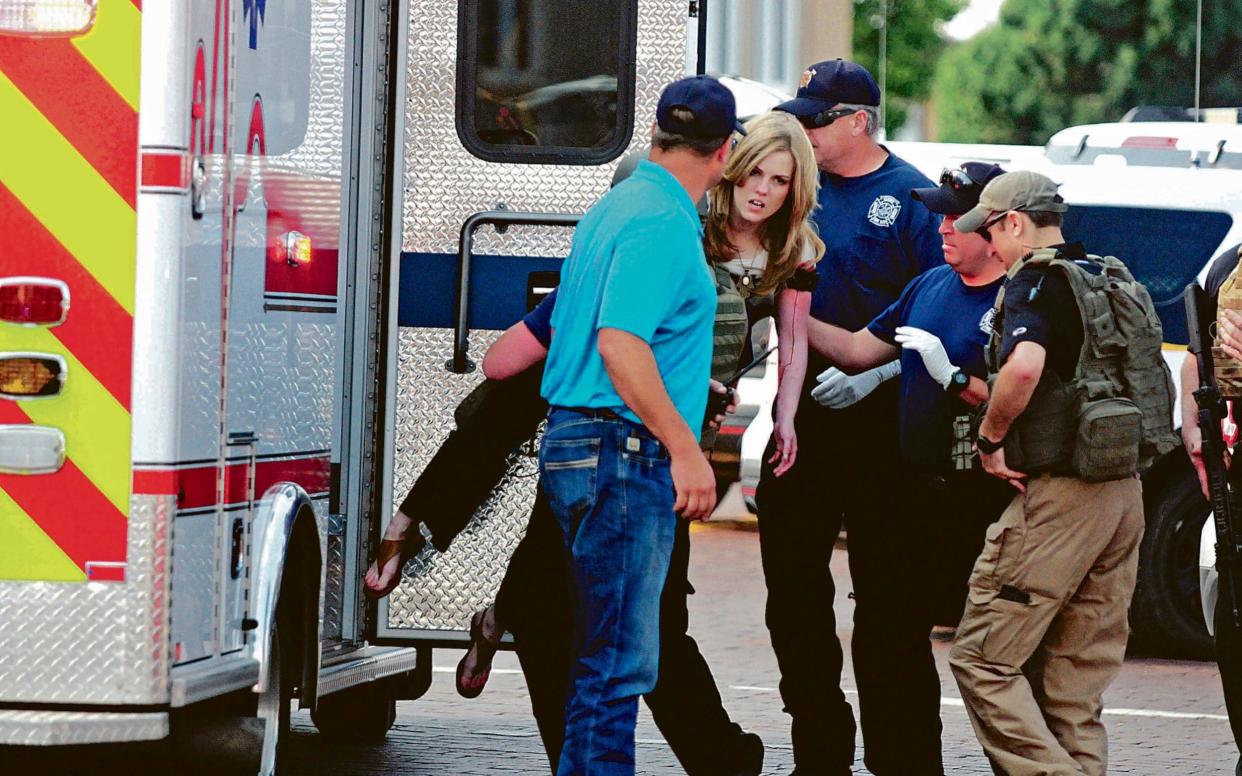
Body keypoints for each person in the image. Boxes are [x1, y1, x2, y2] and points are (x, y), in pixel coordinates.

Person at [538, 74, 737, 775]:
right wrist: (685, 448)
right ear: (724, 152)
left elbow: (593, 329)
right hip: (623, 451)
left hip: (579, 439)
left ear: (658, 134)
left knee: (603, 656)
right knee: (618, 663)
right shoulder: (662, 221)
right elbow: (621, 342)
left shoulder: (617, 206)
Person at [800, 162, 1014, 774]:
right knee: (885, 631)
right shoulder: (929, 286)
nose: (941, 226)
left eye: (957, 217)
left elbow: (1025, 390)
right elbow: (856, 349)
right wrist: (782, 301)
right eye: (939, 213)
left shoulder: (1018, 296)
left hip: (984, 499)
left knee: (991, 652)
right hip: (912, 493)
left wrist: (955, 378)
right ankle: (905, 762)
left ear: (998, 226)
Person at [949, 171, 1164, 775]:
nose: (988, 246)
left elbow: (1023, 367)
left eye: (989, 231)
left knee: (983, 660)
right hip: (1124, 492)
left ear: (1013, 222)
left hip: (1064, 496)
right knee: (1072, 688)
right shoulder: (1106, 274)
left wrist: (991, 439)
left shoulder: (1037, 283)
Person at [763, 58, 943, 774]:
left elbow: (945, 313)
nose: (803, 129)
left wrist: (883, 376)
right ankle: (821, 749)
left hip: (887, 429)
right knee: (793, 598)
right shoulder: (792, 192)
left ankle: (903, 758)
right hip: (803, 420)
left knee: (890, 608)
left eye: (816, 118)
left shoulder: (914, 199)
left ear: (858, 121)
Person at [703, 110, 824, 475]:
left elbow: (792, 340)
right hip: (665, 381)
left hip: (715, 401)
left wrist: (784, 418)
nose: (762, 189)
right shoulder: (697, 221)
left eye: (779, 180)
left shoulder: (794, 251)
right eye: (754, 171)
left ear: (793, 189)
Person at [1180, 242, 1242, 776]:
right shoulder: (1230, 264)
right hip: (1238, 480)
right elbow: (1195, 358)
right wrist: (1194, 427)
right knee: (1234, 619)